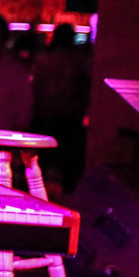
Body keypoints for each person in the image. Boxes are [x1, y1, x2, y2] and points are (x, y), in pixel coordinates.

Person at [33, 23, 91, 194]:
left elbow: (36, 90)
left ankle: (40, 198)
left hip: (44, 117)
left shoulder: (44, 61)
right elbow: (85, 90)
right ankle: (65, 200)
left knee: (42, 166)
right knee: (66, 167)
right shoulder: (78, 62)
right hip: (70, 119)